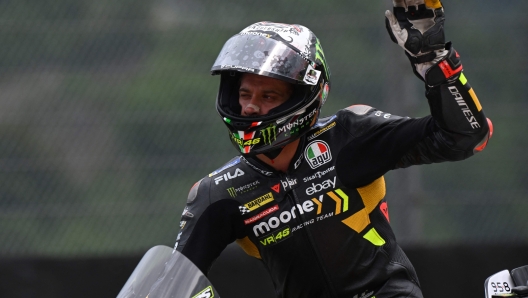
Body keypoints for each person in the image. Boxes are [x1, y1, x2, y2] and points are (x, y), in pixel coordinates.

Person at [173, 1, 493, 297]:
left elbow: (464, 137)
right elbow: (171, 283)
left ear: (303, 96)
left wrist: (434, 63)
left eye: (268, 96)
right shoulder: (217, 193)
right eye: (244, 94)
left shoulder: (348, 135)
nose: (251, 107)